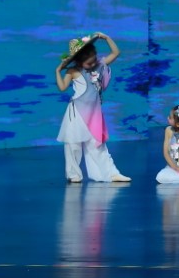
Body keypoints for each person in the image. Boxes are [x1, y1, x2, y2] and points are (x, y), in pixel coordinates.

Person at [55, 32, 130, 183]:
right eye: (89, 63)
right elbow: (62, 87)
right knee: (73, 144)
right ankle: (73, 174)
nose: (92, 64)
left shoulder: (99, 65)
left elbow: (116, 52)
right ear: (78, 61)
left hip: (94, 113)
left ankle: (111, 173)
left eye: (94, 60)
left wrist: (106, 38)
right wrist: (58, 71)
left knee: (97, 143)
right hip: (77, 113)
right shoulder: (73, 71)